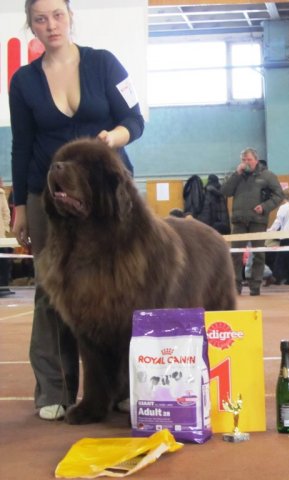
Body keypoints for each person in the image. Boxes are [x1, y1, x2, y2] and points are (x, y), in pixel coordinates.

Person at [10, 0, 144, 420]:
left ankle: (123, 387)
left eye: (58, 15)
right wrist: (19, 206)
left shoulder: (104, 64)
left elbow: (135, 119)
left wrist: (115, 137)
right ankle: (55, 389)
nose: (51, 25)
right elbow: (22, 145)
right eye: (40, 19)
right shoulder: (23, 81)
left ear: (70, 17)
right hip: (47, 198)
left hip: (107, 193)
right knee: (52, 293)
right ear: (30, 25)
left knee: (122, 288)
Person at [221, 148, 284, 296]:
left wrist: (265, 207)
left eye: (248, 159)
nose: (246, 163)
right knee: (235, 254)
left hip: (258, 220)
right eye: (243, 160)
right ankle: (235, 287)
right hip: (238, 221)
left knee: (259, 254)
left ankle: (255, 286)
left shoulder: (267, 176)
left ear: (256, 160)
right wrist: (236, 175)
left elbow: (279, 195)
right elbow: (225, 191)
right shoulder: (237, 176)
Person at [267, 187, 289, 285]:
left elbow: (278, 222)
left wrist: (271, 231)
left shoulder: (282, 208)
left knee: (280, 258)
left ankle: (276, 278)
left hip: (286, 235)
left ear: (283, 197)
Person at [0, 178, 14, 297]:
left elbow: (6, 213)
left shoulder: (1, 193)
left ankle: (4, 287)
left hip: (1, 236)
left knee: (4, 263)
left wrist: (4, 228)